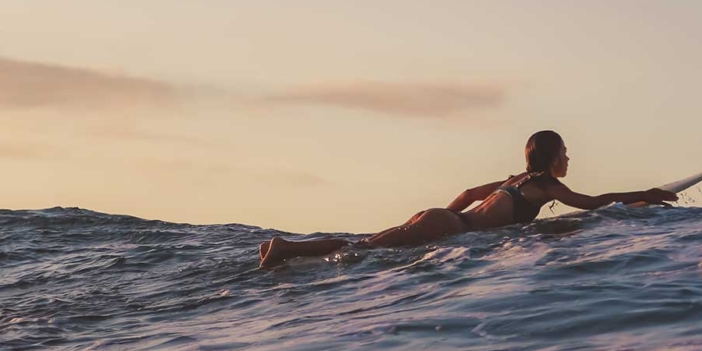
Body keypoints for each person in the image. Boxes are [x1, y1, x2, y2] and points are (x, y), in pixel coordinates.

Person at [259, 130, 677, 268]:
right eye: (565, 152)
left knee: (363, 246)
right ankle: (284, 248)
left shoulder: (516, 179)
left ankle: (282, 251)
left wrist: (443, 219)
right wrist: (646, 194)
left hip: (444, 218)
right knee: (360, 251)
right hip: (448, 225)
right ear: (552, 158)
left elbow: (468, 195)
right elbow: (592, 202)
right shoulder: (547, 186)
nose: (569, 157)